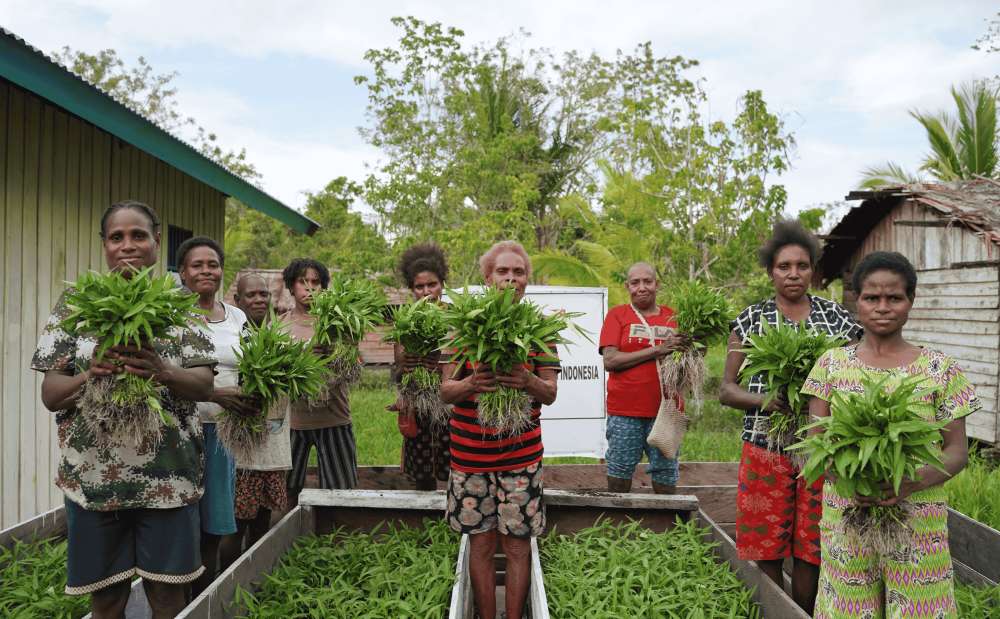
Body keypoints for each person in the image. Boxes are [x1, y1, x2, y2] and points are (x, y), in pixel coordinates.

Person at [31, 200, 217, 619]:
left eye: (138, 236)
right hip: (94, 481)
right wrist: (90, 375)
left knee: (167, 595)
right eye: (117, 237)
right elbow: (51, 395)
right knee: (107, 599)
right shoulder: (75, 304)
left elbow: (205, 385)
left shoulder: (182, 304)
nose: (127, 245)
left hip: (169, 479)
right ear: (104, 244)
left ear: (156, 242)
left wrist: (163, 371)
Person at [803, 251, 977, 619]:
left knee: (920, 611)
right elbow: (815, 445)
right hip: (848, 519)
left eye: (894, 297)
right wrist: (849, 481)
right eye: (872, 297)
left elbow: (957, 450)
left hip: (918, 523)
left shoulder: (941, 368)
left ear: (911, 300)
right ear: (857, 300)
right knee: (846, 612)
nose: (883, 307)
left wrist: (911, 482)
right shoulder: (831, 364)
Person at [718, 218, 861, 613]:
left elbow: (859, 378)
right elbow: (726, 390)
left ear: (813, 270)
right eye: (784, 266)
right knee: (765, 544)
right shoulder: (750, 319)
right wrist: (763, 400)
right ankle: (772, 610)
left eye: (802, 265)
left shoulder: (838, 319)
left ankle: (804, 613)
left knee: (811, 546)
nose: (793, 273)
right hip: (765, 446)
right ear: (771, 272)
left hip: (822, 449)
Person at [440, 241, 561, 619]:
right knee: (480, 545)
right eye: (502, 271)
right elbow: (446, 391)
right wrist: (472, 383)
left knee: (517, 546)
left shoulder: (540, 329)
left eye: (518, 272)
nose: (511, 279)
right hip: (470, 460)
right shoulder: (462, 328)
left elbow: (550, 393)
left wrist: (527, 380)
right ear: (487, 277)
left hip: (520, 461)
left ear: (527, 279)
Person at [174, 236, 255, 596]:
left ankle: (202, 602)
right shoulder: (171, 315)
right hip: (180, 430)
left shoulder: (236, 316)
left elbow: (253, 365)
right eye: (197, 265)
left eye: (213, 264)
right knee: (181, 522)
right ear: (182, 272)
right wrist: (216, 394)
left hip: (223, 432)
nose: (206, 271)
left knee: (213, 524)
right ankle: (176, 596)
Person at [219, 274, 293, 569]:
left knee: (262, 521)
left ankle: (255, 580)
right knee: (236, 524)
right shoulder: (231, 341)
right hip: (241, 450)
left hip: (273, 444)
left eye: (264, 294)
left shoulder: (280, 339)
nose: (259, 299)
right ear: (238, 301)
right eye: (251, 295)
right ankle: (227, 582)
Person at [599, 262, 692, 495]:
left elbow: (694, 354)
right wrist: (659, 349)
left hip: (667, 410)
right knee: (619, 469)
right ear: (627, 287)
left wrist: (698, 345)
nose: (642, 287)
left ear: (657, 284)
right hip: (625, 410)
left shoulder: (674, 317)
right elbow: (610, 360)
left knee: (666, 471)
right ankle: (618, 515)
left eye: (647, 281)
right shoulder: (618, 315)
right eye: (635, 282)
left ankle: (667, 518)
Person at [281, 258, 359, 510]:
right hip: (292, 423)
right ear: (291, 287)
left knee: (339, 492)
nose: (310, 287)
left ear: (324, 287)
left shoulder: (339, 323)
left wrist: (334, 355)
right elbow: (275, 375)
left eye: (316, 282)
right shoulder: (278, 325)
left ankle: (335, 535)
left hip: (333, 419)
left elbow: (352, 371)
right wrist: (304, 357)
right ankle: (289, 533)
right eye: (302, 281)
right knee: (287, 489)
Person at [394, 243, 451, 491]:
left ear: (442, 284)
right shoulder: (404, 322)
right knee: (423, 477)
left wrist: (442, 368)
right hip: (418, 409)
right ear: (412, 289)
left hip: (452, 409)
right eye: (419, 287)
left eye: (432, 284)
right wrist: (405, 366)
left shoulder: (457, 318)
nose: (427, 292)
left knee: (455, 474)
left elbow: (469, 368)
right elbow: (398, 376)